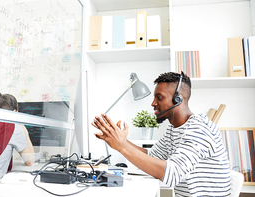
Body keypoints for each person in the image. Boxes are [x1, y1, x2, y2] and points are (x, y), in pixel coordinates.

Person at [92, 72, 231, 197]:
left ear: (178, 99)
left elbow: (173, 174)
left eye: (159, 97)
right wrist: (120, 140)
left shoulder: (199, 128)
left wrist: (122, 146)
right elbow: (151, 157)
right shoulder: (174, 129)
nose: (153, 103)